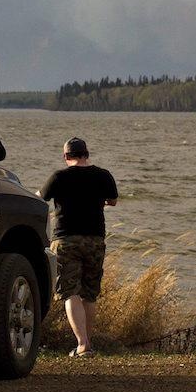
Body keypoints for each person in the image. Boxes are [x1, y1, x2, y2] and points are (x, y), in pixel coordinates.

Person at [39, 136, 118, 357]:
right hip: (95, 239)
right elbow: (113, 200)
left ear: (66, 156)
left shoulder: (59, 177)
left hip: (65, 240)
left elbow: (39, 198)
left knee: (69, 291)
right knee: (89, 293)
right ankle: (87, 344)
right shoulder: (103, 175)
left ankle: (82, 343)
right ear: (86, 154)